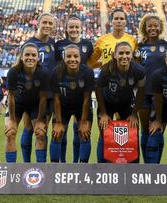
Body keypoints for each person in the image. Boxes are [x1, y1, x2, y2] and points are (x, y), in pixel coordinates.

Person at [95, 41, 145, 163]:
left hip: (126, 104)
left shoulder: (139, 70)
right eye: (121, 53)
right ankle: (102, 165)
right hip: (107, 104)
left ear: (132, 55)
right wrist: (103, 113)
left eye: (127, 53)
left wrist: (134, 114)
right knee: (103, 133)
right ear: (114, 55)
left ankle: (133, 166)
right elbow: (98, 89)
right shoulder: (106, 69)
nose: (124, 56)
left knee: (133, 132)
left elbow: (141, 92)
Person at [55, 15, 94, 163]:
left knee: (81, 131)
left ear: (81, 28)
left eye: (77, 27)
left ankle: (78, 165)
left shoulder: (87, 45)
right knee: (61, 134)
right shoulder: (59, 45)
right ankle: (63, 163)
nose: (74, 29)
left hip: (81, 94)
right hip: (63, 93)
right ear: (66, 29)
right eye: (71, 27)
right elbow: (56, 69)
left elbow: (89, 65)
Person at [134, 14, 167, 163]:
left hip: (161, 95)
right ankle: (147, 164)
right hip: (143, 93)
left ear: (160, 27)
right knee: (145, 130)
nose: (153, 28)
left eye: (156, 25)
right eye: (150, 25)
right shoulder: (139, 47)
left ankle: (155, 166)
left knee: (157, 130)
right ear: (144, 28)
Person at [20, 13, 56, 163]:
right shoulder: (28, 44)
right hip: (31, 94)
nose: (47, 25)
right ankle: (26, 166)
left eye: (50, 23)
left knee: (42, 131)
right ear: (38, 24)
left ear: (53, 26)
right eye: (45, 22)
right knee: (28, 127)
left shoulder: (54, 43)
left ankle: (41, 167)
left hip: (47, 94)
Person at [4, 42, 49, 163]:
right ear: (22, 56)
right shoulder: (13, 72)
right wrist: (12, 120)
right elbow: (11, 97)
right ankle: (11, 170)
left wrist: (39, 120)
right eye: (27, 55)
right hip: (17, 104)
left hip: (35, 104)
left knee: (40, 133)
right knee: (10, 133)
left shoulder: (43, 73)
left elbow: (43, 98)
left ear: (38, 57)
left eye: (33, 55)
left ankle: (41, 170)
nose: (30, 57)